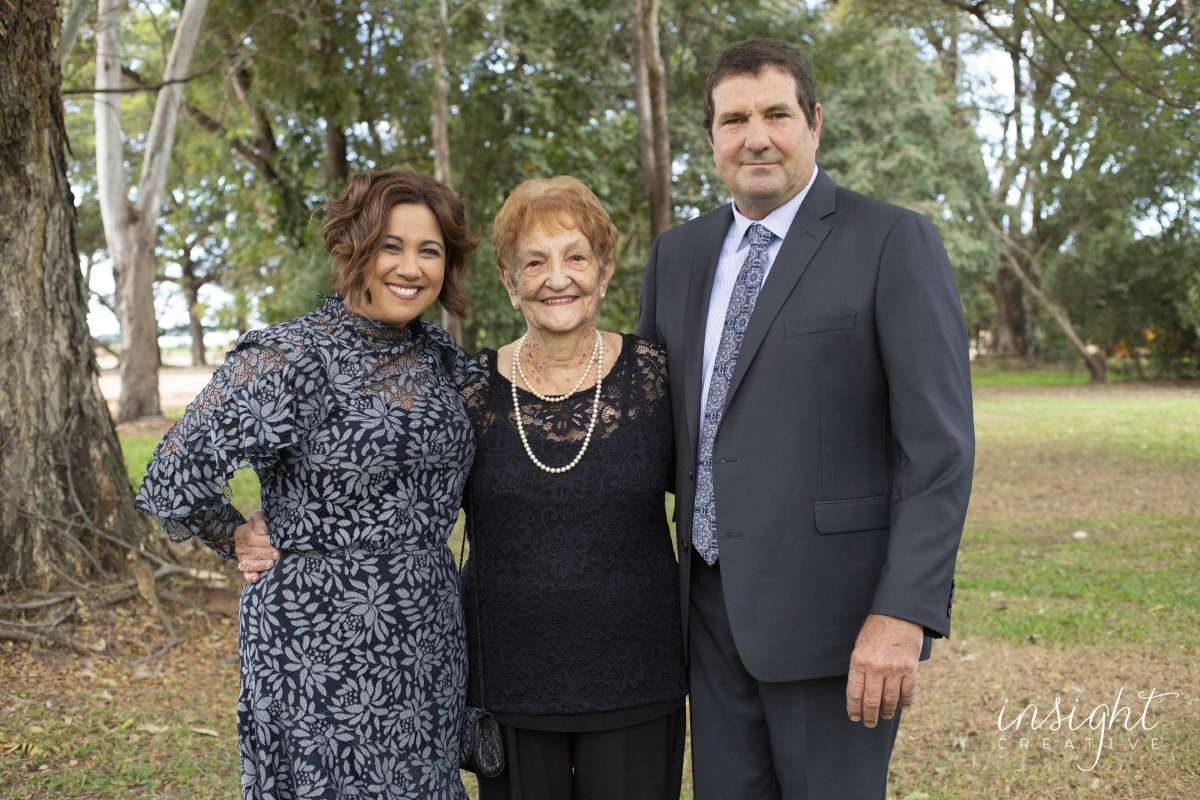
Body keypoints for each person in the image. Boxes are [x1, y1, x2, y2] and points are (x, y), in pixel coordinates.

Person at [238, 175, 689, 800]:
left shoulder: (658, 377)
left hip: (639, 679)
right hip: (506, 686)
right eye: (534, 262)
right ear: (509, 282)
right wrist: (271, 520)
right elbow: (388, 478)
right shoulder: (466, 387)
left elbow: (716, 497)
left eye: (576, 258)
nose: (557, 278)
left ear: (605, 272)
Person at [635, 38, 975, 799]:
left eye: (776, 114)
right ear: (713, 138)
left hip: (839, 624)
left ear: (814, 123)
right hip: (708, 619)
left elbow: (939, 452)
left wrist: (902, 612)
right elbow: (653, 433)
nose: (756, 136)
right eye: (734, 119)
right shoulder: (677, 257)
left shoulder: (892, 241)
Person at [134, 167, 481, 800]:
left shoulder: (442, 361)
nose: (410, 267)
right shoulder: (291, 357)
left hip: (427, 634)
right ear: (354, 249)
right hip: (314, 638)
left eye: (429, 250)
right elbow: (172, 476)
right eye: (390, 246)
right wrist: (235, 536)